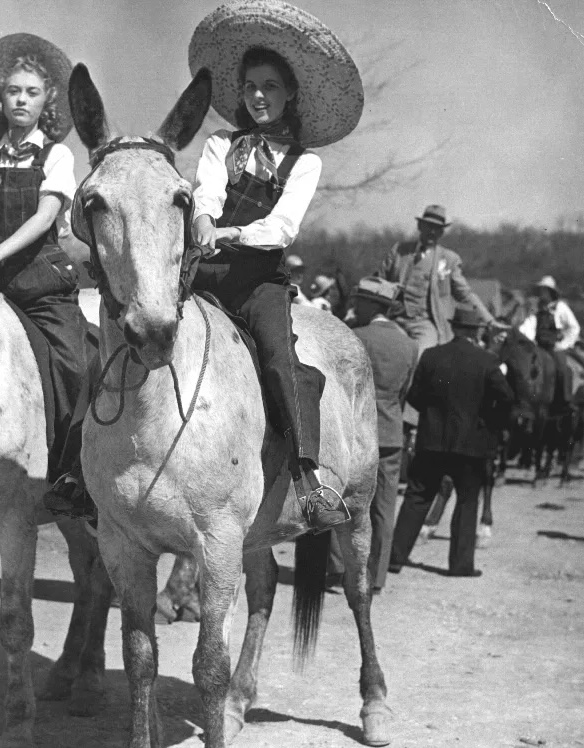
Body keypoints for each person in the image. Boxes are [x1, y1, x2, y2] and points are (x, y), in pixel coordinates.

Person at [183, 0, 365, 531]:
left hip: (256, 281)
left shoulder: (305, 161)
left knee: (282, 362)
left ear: (290, 94)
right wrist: (203, 220)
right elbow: (206, 193)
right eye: (249, 87)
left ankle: (310, 480)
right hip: (202, 272)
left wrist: (231, 233)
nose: (258, 96)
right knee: (136, 327)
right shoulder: (220, 143)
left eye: (269, 87)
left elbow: (282, 227)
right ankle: (82, 469)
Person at [0, 33, 86, 477]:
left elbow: (44, 217)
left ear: (46, 100)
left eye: (32, 92)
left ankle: (71, 472)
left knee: (75, 367)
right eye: (14, 91)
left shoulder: (56, 155)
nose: (21, 100)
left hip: (43, 287)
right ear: (0, 99)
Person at [388, 304, 513, 578]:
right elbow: (507, 398)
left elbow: (414, 396)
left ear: (454, 327)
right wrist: (488, 423)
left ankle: (394, 559)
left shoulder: (432, 356)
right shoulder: (487, 361)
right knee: (467, 501)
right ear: (476, 332)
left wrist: (433, 415)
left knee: (417, 497)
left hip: (432, 441)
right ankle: (460, 565)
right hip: (472, 445)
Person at [348, 277, 418, 591]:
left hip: (356, 429)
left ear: (372, 304)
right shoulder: (409, 345)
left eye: (359, 300)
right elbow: (405, 392)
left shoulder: (354, 335)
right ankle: (376, 576)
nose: (355, 306)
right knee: (384, 508)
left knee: (343, 498)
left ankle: (339, 567)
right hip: (390, 432)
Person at [377, 205, 500, 357]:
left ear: (442, 232)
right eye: (429, 226)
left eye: (437, 228)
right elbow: (378, 282)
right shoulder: (399, 251)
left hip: (425, 324)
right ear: (420, 226)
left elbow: (465, 294)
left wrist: (490, 321)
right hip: (393, 320)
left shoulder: (449, 259)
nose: (433, 232)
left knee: (421, 357)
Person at [519, 276, 580, 352]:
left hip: (555, 346)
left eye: (544, 290)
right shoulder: (536, 306)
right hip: (538, 345)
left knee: (559, 359)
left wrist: (562, 344)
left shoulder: (560, 306)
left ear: (550, 292)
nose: (541, 292)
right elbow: (528, 325)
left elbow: (574, 327)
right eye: (541, 289)